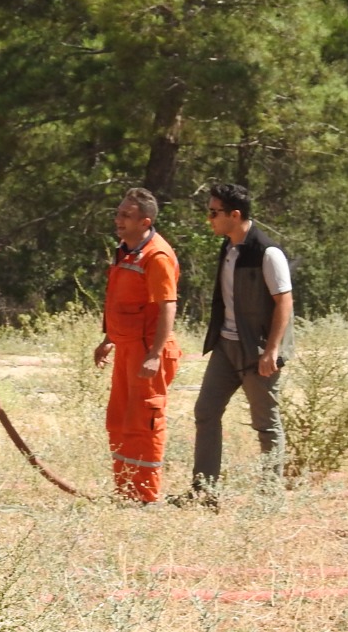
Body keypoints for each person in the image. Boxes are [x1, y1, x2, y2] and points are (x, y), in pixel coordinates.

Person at [184, 182, 294, 502]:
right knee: (205, 412)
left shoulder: (267, 252)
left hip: (257, 351)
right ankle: (205, 492)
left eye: (214, 212)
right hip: (225, 347)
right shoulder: (228, 246)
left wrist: (271, 350)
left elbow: (284, 302)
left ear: (235, 214)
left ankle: (269, 497)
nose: (209, 219)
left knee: (266, 425)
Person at [92, 188, 181, 503]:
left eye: (126, 216)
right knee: (119, 421)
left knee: (145, 423)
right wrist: (108, 339)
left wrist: (154, 355)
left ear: (145, 221)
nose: (118, 220)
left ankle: (144, 496)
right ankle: (125, 491)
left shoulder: (156, 255)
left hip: (148, 352)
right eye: (118, 214)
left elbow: (167, 306)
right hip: (127, 349)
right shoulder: (126, 250)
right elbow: (121, 300)